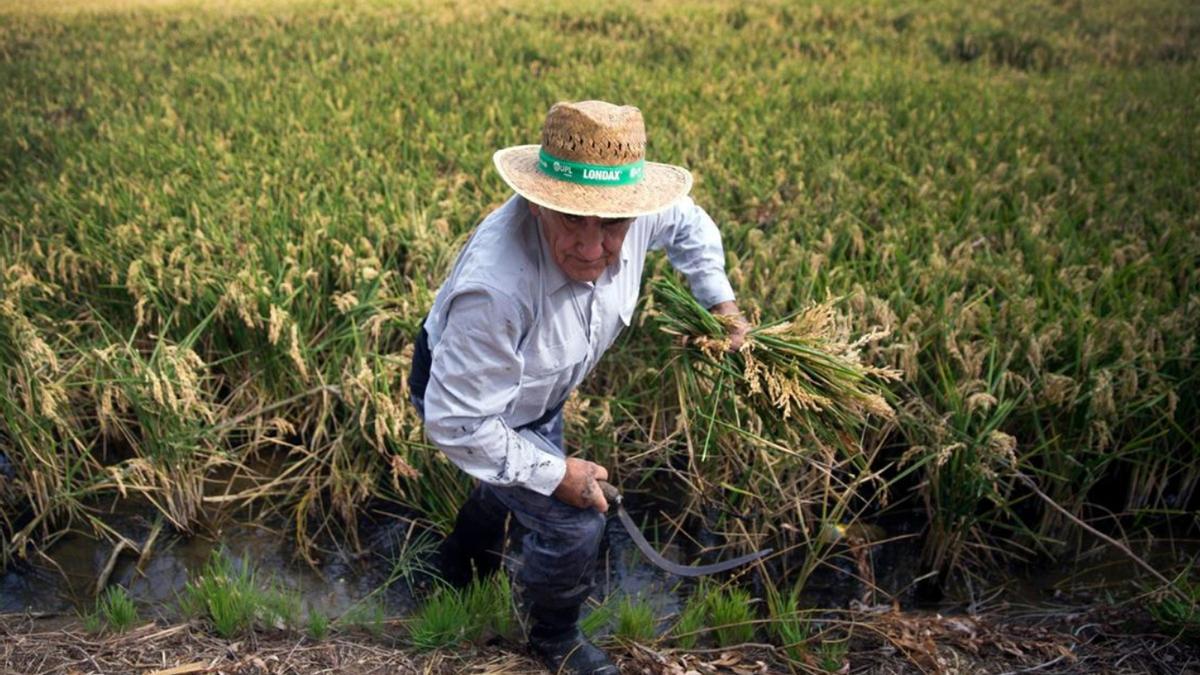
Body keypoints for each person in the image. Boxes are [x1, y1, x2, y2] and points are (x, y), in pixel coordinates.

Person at [407, 100, 747, 675]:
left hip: (539, 392)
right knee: (575, 522)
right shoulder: (495, 289)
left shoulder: (645, 216)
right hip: (468, 402)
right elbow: (459, 424)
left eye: (611, 224)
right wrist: (557, 474)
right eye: (571, 219)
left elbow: (689, 222)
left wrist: (723, 306)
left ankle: (457, 566)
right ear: (538, 203)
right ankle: (555, 637)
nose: (592, 248)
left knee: (509, 482)